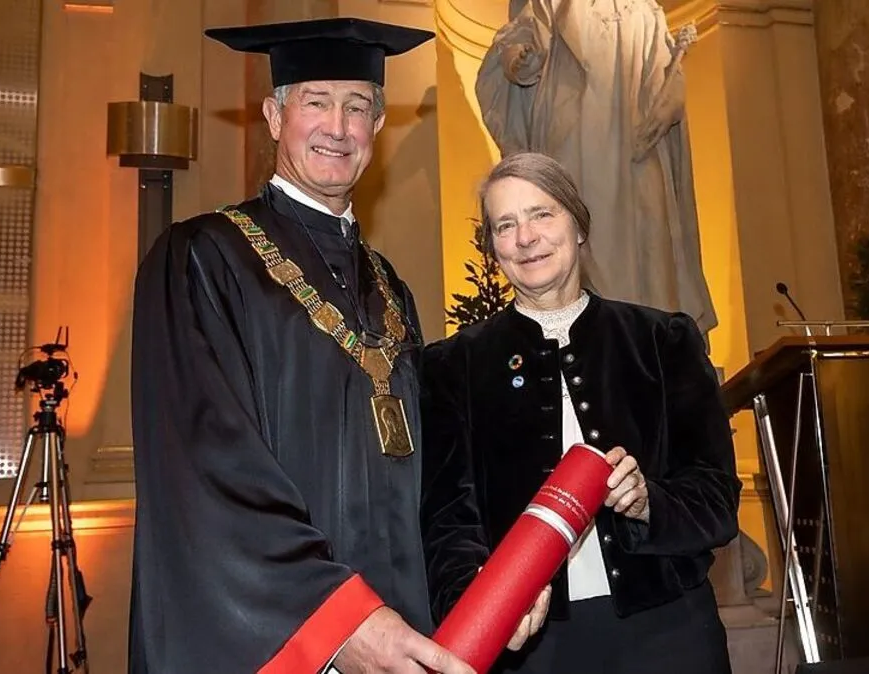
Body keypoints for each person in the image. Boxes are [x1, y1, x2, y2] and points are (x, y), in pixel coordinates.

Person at [128, 17, 476, 674]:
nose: (338, 128)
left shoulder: (390, 288)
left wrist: (472, 581)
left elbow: (433, 475)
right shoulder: (204, 260)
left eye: (358, 107)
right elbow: (208, 466)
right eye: (316, 102)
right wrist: (338, 622)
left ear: (378, 126)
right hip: (285, 637)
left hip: (403, 636)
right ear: (274, 116)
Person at [420, 152, 741, 673]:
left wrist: (648, 503)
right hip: (534, 647)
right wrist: (474, 601)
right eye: (505, 225)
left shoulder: (663, 341)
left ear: (579, 224)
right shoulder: (451, 366)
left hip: (669, 631)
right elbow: (448, 521)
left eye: (542, 214)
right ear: (493, 248)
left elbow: (717, 496)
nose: (526, 238)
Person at [474, 0, 719, 340]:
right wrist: (519, 59)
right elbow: (519, 40)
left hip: (637, 141)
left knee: (649, 237)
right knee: (578, 229)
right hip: (573, 134)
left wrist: (672, 97)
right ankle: (585, 341)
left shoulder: (642, 6)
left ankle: (652, 341)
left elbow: (665, 65)